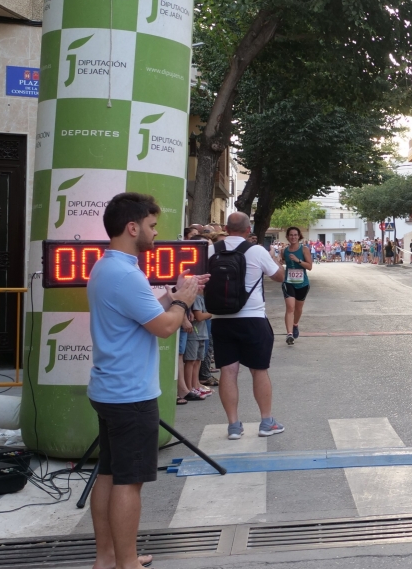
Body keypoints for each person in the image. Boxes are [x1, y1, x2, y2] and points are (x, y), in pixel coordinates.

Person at [87, 192, 205, 569]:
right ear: (132, 227)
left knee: (108, 473)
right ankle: (127, 564)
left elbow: (140, 312)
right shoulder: (126, 274)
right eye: (152, 227)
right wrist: (183, 301)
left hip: (109, 388)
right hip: (130, 394)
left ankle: (107, 558)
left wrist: (172, 294)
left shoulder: (106, 267)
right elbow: (166, 328)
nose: (156, 235)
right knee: (128, 482)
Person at [210, 212, 288, 440]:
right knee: (259, 370)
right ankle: (266, 422)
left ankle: (233, 426)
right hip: (252, 318)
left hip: (220, 319)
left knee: (228, 371)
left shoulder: (211, 250)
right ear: (248, 230)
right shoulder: (256, 251)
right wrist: (273, 258)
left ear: (226, 228)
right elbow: (279, 276)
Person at [275, 227, 313, 346]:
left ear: (299, 236)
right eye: (291, 235)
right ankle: (289, 334)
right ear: (287, 236)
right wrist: (279, 261)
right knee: (290, 307)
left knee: (298, 308)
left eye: (295, 235)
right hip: (288, 282)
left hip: (302, 283)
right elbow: (282, 262)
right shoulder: (284, 250)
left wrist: (298, 260)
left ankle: (295, 324)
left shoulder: (304, 249)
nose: (293, 237)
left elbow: (310, 267)